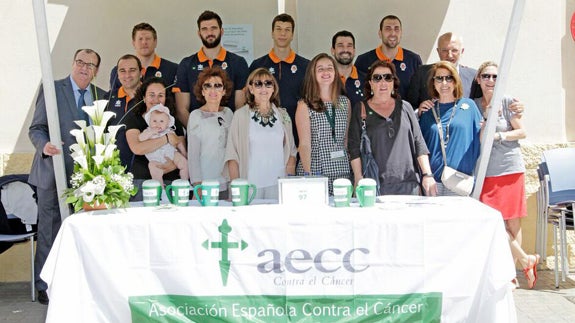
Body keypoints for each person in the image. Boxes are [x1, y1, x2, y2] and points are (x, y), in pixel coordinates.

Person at [28, 49, 106, 304]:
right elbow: (36, 128)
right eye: (80, 62)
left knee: (83, 231)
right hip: (52, 174)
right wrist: (45, 145)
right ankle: (45, 285)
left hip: (85, 179)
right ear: (73, 63)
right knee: (50, 230)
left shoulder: (100, 96)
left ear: (96, 71)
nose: (84, 68)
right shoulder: (51, 88)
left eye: (90, 65)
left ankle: (78, 282)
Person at [474, 61, 538, 289]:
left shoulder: (508, 101)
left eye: (495, 76)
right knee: (493, 222)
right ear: (478, 79)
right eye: (486, 76)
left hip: (510, 169)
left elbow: (522, 131)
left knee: (512, 224)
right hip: (486, 173)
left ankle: (510, 274)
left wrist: (501, 137)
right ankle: (525, 259)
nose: (491, 81)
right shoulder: (474, 105)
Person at [348, 60, 436, 195]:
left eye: (387, 77)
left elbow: (419, 143)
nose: (383, 82)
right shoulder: (360, 109)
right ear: (370, 84)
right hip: (375, 186)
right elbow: (354, 148)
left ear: (393, 82)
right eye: (377, 78)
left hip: (409, 185)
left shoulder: (405, 107)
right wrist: (358, 178)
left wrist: (427, 175)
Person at [225, 68, 297, 199]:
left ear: (273, 88)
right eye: (258, 84)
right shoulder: (240, 115)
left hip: (278, 184)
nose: (263, 87)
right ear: (251, 89)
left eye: (268, 83)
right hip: (250, 186)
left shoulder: (283, 115)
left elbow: (291, 151)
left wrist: (288, 181)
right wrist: (236, 188)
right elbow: (232, 155)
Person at [418, 61, 482, 196]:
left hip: (460, 181)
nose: (444, 83)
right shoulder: (427, 112)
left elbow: (481, 138)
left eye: (449, 78)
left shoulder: (469, 106)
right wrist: (426, 175)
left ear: (455, 81)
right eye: (439, 79)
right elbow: (420, 148)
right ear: (433, 83)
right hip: (434, 182)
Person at [175, 10, 249, 124]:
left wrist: (229, 133)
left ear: (222, 31)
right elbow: (181, 110)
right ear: (199, 33)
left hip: (229, 134)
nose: (209, 32)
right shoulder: (186, 64)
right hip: (197, 136)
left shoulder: (238, 63)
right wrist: (198, 131)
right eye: (204, 29)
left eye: (213, 28)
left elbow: (240, 106)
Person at [295, 53, 351, 195]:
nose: (326, 72)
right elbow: (304, 144)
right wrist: (308, 175)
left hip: (342, 172)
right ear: (313, 74)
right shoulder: (304, 105)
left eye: (329, 68)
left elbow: (346, 140)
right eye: (320, 69)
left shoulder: (345, 103)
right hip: (316, 172)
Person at [249, 13, 309, 144]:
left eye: (287, 30)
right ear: (272, 33)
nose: (283, 33)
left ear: (292, 35)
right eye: (279, 29)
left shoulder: (305, 66)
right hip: (264, 129)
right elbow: (249, 99)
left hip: (297, 130)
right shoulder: (258, 65)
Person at [124, 77, 186, 193]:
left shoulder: (173, 121)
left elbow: (181, 148)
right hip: (143, 183)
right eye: (151, 95)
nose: (156, 100)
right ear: (144, 98)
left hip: (172, 182)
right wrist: (166, 138)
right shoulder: (134, 119)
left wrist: (168, 167)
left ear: (166, 99)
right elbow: (137, 148)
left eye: (161, 95)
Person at [187, 66, 234, 199]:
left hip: (225, 182)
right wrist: (197, 185)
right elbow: (193, 154)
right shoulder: (196, 116)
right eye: (208, 86)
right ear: (202, 91)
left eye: (218, 86)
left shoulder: (229, 113)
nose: (213, 90)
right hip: (204, 183)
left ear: (224, 91)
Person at [407, 32, 479, 112]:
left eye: (454, 50)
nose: (450, 55)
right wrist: (418, 111)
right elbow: (409, 106)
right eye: (445, 50)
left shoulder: (473, 76)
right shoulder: (422, 73)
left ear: (462, 51)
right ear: (438, 51)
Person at [354, 15, 422, 98]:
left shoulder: (414, 60)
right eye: (388, 29)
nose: (393, 33)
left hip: (406, 110)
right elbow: (357, 93)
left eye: (396, 29)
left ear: (401, 33)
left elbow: (420, 93)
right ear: (380, 33)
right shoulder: (363, 61)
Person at [109, 22, 178, 94]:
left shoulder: (173, 69)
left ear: (155, 42)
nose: (144, 42)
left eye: (148, 39)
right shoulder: (118, 72)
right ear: (133, 43)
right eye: (140, 39)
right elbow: (114, 101)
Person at [106, 54, 142, 170]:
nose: (127, 75)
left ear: (141, 72)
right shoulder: (107, 99)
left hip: (146, 170)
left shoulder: (150, 97)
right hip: (115, 170)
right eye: (122, 71)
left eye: (132, 70)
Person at [139, 104, 188, 186]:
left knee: (184, 163)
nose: (158, 124)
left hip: (171, 154)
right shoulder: (147, 131)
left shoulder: (170, 132)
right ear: (149, 121)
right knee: (152, 167)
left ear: (167, 123)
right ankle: (161, 187)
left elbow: (178, 142)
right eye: (154, 121)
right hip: (155, 159)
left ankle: (184, 182)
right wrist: (150, 132)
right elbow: (140, 138)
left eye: (161, 121)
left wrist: (184, 154)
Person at [331, 30, 366, 108]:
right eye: (340, 45)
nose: (345, 50)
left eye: (349, 46)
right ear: (332, 51)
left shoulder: (367, 80)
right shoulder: (325, 79)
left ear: (354, 51)